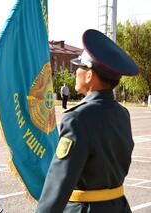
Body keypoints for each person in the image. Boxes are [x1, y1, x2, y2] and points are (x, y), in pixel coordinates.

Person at [36, 29, 139, 213]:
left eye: (79, 67)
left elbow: (59, 181)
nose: (76, 71)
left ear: (90, 75)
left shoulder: (77, 119)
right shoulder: (122, 114)